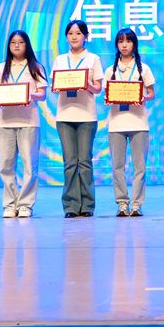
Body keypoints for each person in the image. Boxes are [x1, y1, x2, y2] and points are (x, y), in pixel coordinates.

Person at [51, 20, 103, 218]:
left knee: (85, 162)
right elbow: (54, 87)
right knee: (70, 162)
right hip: (64, 115)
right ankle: (71, 206)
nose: (74, 37)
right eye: (71, 33)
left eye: (79, 33)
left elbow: (98, 88)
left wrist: (86, 85)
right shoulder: (60, 60)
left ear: (86, 36)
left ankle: (87, 205)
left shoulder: (93, 59)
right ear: (66, 37)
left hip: (86, 116)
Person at [0, 30, 47, 218]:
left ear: (27, 45)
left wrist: (30, 95)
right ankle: (9, 204)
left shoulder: (35, 67)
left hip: (29, 121)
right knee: (5, 165)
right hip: (4, 122)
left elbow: (42, 94)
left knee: (29, 164)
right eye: (13, 42)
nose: (16, 45)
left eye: (21, 42)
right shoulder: (0, 68)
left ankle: (25, 204)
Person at [104, 28, 155, 217]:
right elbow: (106, 95)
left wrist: (142, 97)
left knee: (139, 167)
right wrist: (109, 99)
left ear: (134, 44)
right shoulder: (110, 70)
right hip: (116, 123)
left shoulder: (143, 68)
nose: (124, 45)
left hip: (138, 123)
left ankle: (137, 204)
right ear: (116, 45)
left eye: (128, 41)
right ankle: (122, 203)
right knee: (117, 166)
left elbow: (151, 93)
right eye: (120, 41)